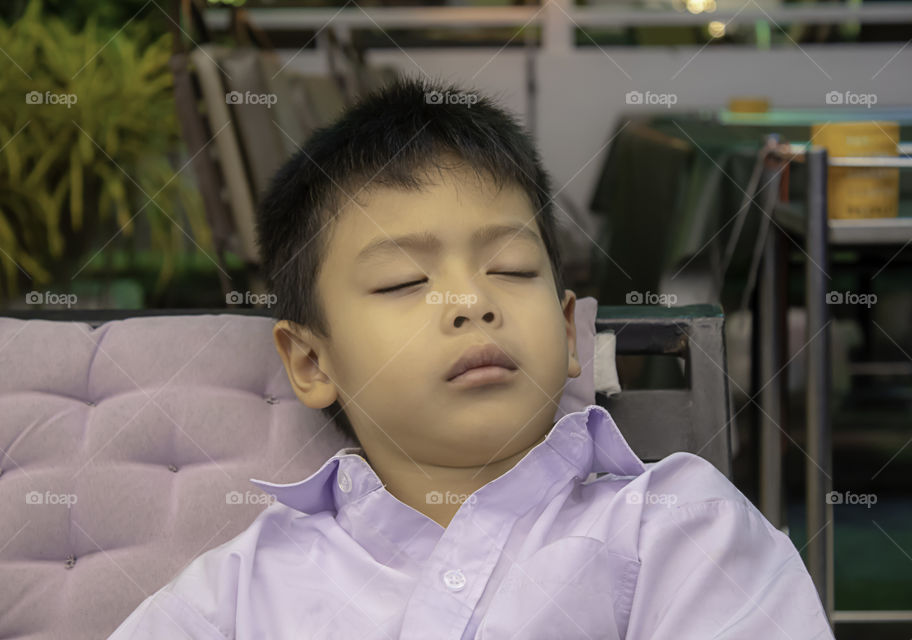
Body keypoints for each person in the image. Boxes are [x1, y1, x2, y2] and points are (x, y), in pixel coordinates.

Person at [108, 75, 834, 639]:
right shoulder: (241, 593)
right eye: (403, 281)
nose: (470, 303)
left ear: (568, 328)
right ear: (311, 364)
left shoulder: (677, 528)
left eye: (513, 269)